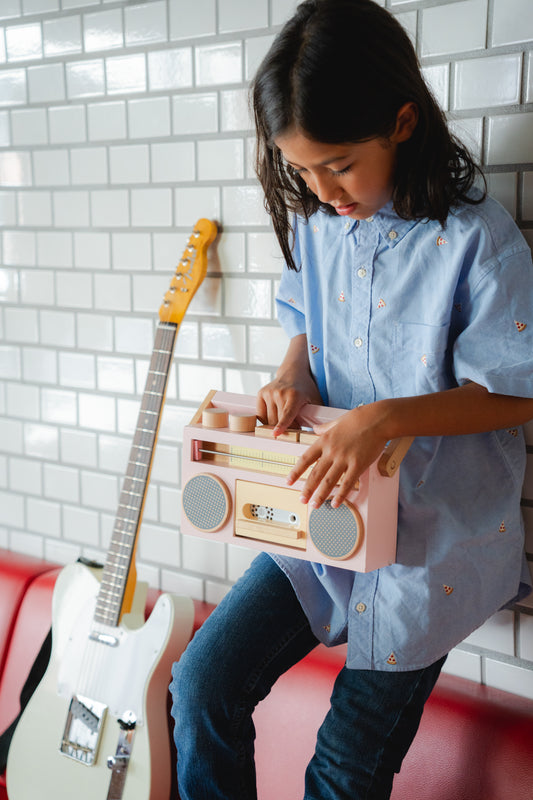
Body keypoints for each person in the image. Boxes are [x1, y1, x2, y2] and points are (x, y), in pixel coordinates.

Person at [170, 1, 533, 797]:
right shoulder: (318, 227)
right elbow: (306, 326)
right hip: (320, 516)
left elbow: (517, 391)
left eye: (336, 164)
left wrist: (386, 419)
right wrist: (292, 378)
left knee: (343, 769)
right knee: (200, 687)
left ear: (402, 122)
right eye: (299, 170)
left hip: (428, 542)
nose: (318, 188)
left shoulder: (479, 240)